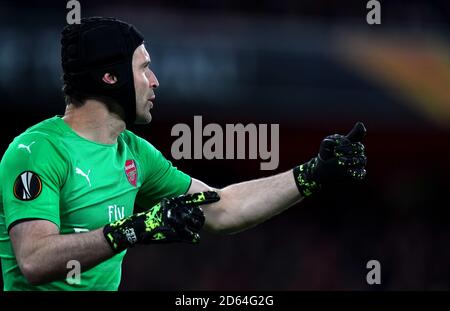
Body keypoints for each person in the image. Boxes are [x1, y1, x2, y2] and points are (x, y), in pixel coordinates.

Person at [0, 17, 367, 291]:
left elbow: (222, 209)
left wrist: (312, 174)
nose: (155, 80)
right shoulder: (36, 151)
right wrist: (133, 230)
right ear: (110, 78)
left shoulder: (134, 154)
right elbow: (34, 259)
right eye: (144, 68)